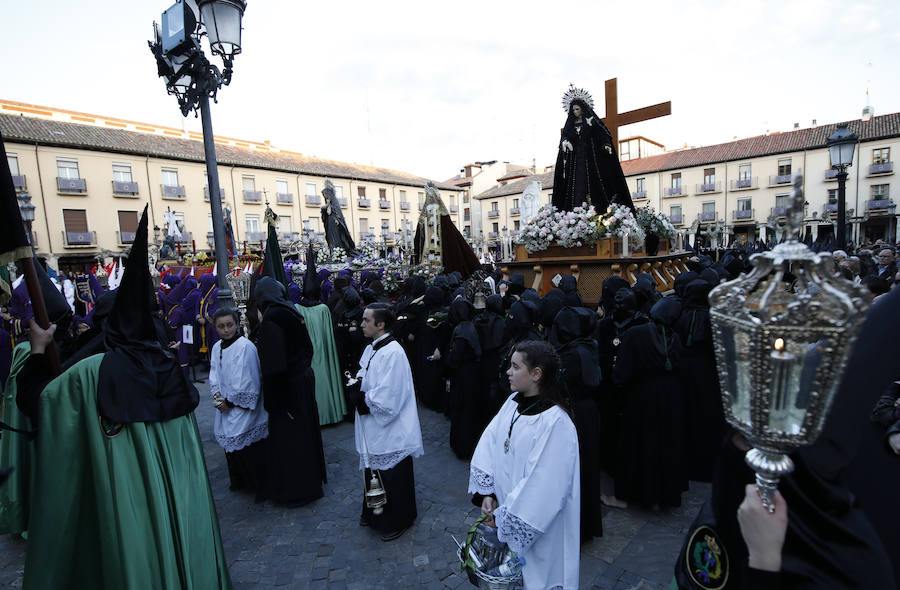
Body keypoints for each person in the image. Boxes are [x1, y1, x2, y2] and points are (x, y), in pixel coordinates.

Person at [12, 206, 231, 588]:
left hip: (123, 510)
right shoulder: (168, 364)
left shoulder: (90, 372)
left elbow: (37, 404)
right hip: (180, 505)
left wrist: (36, 352)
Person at [469, 340, 580, 589]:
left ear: (536, 374)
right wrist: (488, 493)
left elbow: (544, 487)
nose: (508, 371)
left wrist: (505, 520)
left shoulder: (556, 423)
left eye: (515, 366)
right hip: (504, 511)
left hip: (537, 528)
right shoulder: (513, 404)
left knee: (537, 578)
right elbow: (489, 443)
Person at [254, 276, 327, 507]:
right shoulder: (291, 312)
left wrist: (276, 402)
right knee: (304, 434)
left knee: (292, 440)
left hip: (288, 388)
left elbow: (274, 367)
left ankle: (298, 490)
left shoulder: (273, 319)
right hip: (301, 380)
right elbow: (307, 349)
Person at [354, 303, 424, 541]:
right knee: (374, 469)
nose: (361, 324)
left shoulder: (393, 352)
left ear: (380, 324)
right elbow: (364, 373)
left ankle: (399, 518)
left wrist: (363, 398)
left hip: (391, 426)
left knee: (393, 474)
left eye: (366, 320)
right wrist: (356, 386)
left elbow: (389, 396)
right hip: (373, 423)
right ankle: (374, 511)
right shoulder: (374, 348)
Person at [613, 297, 688, 509]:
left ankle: (629, 496)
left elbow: (622, 373)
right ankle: (662, 495)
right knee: (665, 446)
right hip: (671, 400)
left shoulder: (636, 333)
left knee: (638, 446)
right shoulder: (677, 336)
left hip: (641, 399)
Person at [209, 307, 268, 499]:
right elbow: (214, 372)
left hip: (242, 405)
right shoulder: (217, 347)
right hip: (224, 403)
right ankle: (240, 480)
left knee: (249, 448)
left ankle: (258, 486)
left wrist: (231, 402)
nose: (226, 330)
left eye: (229, 325)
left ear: (236, 324)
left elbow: (249, 378)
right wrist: (217, 393)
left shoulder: (245, 347)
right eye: (221, 327)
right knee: (231, 444)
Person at [551, 87, 634, 213]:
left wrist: (606, 144)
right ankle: (575, 212)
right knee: (575, 186)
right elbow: (564, 138)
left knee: (592, 184)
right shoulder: (570, 125)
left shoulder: (591, 121)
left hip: (590, 159)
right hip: (574, 162)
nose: (575, 112)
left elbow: (602, 133)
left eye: (577, 109)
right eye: (573, 110)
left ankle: (596, 210)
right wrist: (565, 143)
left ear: (583, 108)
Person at [321, 179, 356, 254]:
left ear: (328, 193)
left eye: (325, 194)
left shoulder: (334, 202)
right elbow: (325, 212)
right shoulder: (328, 202)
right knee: (331, 236)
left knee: (337, 236)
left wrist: (337, 219)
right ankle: (333, 251)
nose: (324, 196)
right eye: (323, 195)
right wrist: (324, 208)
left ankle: (339, 251)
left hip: (335, 222)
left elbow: (337, 212)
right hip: (330, 222)